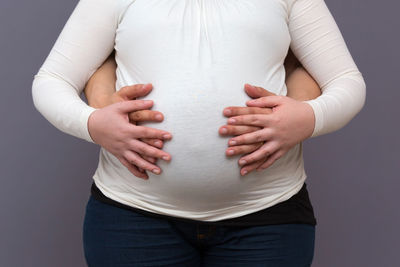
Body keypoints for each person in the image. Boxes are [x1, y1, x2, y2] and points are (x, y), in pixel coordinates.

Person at [31, 0, 366, 266]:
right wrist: (93, 124)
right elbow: (51, 81)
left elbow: (347, 82)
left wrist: (309, 117)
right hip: (133, 216)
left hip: (267, 217)